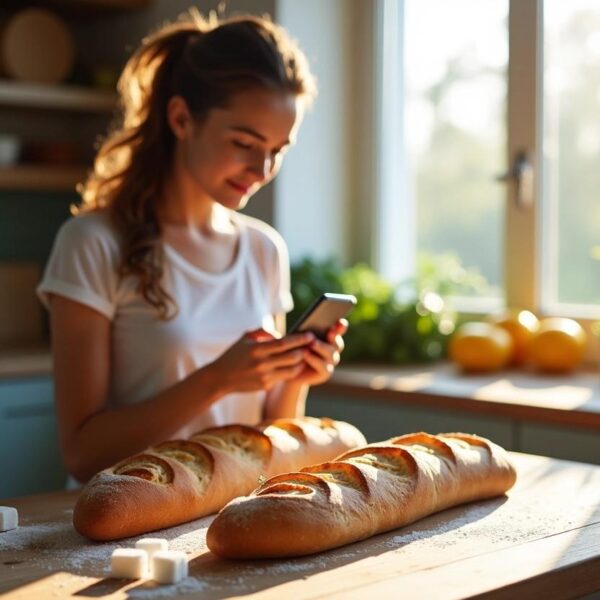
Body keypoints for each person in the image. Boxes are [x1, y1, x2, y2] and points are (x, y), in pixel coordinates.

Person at [37, 10, 348, 484]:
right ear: (181, 118)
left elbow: (269, 433)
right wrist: (217, 379)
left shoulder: (264, 250)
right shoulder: (92, 244)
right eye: (244, 142)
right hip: (122, 520)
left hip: (221, 510)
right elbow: (82, 453)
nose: (262, 168)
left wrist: (295, 377)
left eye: (279, 149)